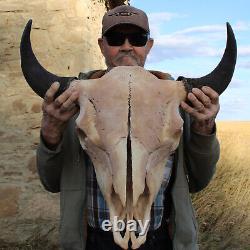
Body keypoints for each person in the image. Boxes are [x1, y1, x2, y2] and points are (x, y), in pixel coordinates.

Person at [37, 5, 220, 250]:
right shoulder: (71, 105)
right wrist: (52, 131)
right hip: (91, 240)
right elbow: (50, 182)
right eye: (115, 38)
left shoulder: (179, 104)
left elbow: (199, 180)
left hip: (160, 238)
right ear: (102, 45)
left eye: (137, 38)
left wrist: (203, 129)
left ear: (149, 44)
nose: (126, 46)